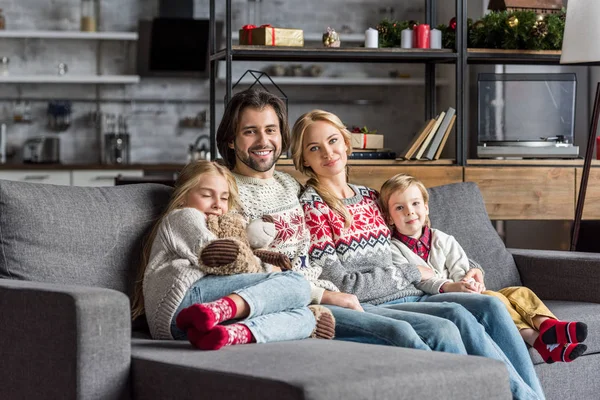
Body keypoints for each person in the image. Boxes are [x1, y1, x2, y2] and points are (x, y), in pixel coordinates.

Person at [291, 109, 545, 400]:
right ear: (304, 160)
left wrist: (471, 269)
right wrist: (410, 273)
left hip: (416, 293)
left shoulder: (372, 198)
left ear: (347, 144)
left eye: (333, 140)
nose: (328, 152)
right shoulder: (314, 208)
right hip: (376, 304)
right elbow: (343, 286)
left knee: (490, 306)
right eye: (314, 148)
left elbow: (421, 241)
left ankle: (535, 396)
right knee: (454, 316)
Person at [213, 88, 478, 355]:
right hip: (313, 299)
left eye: (270, 130)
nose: (263, 140)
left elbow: (412, 237)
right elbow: (229, 259)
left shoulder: (290, 185)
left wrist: (467, 267)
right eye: (250, 131)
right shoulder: (223, 189)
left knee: (470, 311)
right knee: (432, 330)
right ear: (231, 140)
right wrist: (324, 295)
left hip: (366, 291)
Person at [379, 172, 589, 364]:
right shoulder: (392, 249)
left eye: (415, 203)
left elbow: (461, 267)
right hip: (440, 300)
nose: (410, 212)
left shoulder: (443, 239)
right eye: (400, 208)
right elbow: (419, 280)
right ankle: (539, 341)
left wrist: (468, 282)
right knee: (493, 299)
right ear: (389, 217)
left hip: (465, 291)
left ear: (426, 207)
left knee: (520, 292)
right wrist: (452, 287)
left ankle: (547, 326)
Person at [130, 160, 335, 351]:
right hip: (183, 302)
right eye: (207, 195)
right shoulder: (183, 216)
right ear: (183, 197)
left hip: (196, 326)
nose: (218, 204)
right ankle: (221, 309)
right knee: (297, 283)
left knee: (306, 318)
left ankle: (229, 334)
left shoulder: (222, 224)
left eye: (224, 197)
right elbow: (216, 255)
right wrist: (267, 268)